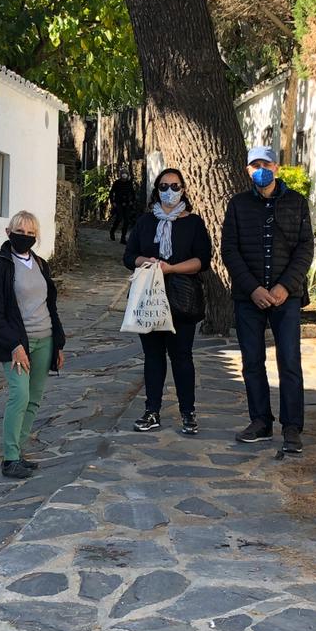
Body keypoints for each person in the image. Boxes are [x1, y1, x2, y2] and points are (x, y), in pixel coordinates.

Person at [223, 145, 315, 452]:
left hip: (285, 297)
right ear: (248, 170)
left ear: (276, 166)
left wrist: (285, 287)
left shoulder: (296, 203)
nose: (261, 169)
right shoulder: (237, 205)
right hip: (249, 297)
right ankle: (260, 420)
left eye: (266, 163)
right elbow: (230, 250)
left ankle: (292, 426)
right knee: (252, 361)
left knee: (289, 361)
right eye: (254, 165)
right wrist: (253, 288)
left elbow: (305, 248)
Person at [123, 167, 213, 435]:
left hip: (181, 298)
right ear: (156, 190)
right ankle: (152, 411)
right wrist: (147, 262)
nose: (169, 191)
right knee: (153, 357)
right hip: (149, 297)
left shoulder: (194, 223)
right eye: (164, 186)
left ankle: (188, 412)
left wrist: (171, 268)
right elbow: (129, 256)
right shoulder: (145, 222)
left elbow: (202, 261)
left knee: (182, 357)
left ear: (183, 189)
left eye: (175, 186)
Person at [0, 211, 67, 479]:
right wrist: (14, 345)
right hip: (16, 343)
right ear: (9, 232)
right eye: (20, 231)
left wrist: (58, 344)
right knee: (19, 395)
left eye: (31, 233)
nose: (26, 236)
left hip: (45, 339)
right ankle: (9, 458)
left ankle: (18, 452)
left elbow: (50, 305)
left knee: (34, 399)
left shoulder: (42, 264)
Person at [108, 172, 137, 241]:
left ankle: (123, 237)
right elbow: (111, 192)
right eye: (123, 177)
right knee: (119, 218)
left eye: (125, 177)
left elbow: (132, 193)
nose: (124, 179)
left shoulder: (129, 183)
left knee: (126, 220)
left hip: (127, 203)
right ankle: (112, 231)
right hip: (118, 203)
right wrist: (113, 202)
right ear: (120, 176)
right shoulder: (117, 183)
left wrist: (132, 201)